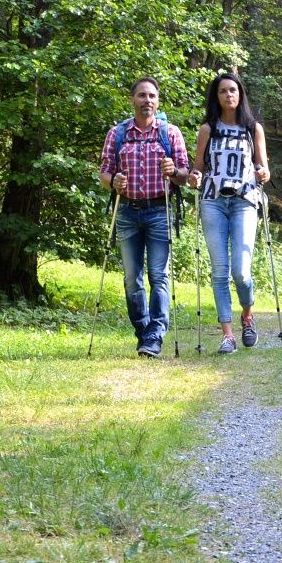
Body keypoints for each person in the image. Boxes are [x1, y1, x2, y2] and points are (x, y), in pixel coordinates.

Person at [99, 77, 191, 358]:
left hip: (159, 211)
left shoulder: (170, 133)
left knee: (159, 275)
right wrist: (113, 180)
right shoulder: (118, 133)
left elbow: (185, 174)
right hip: (127, 211)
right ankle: (143, 332)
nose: (147, 100)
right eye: (141, 95)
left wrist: (173, 171)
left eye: (152, 96)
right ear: (132, 100)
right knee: (131, 278)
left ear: (158, 101)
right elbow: (104, 172)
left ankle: (155, 335)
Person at [187, 73, 270, 355]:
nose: (228, 95)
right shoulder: (207, 129)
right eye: (222, 91)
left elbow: (264, 168)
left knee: (241, 272)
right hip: (213, 201)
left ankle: (247, 316)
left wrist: (263, 173)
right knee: (220, 271)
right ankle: (228, 335)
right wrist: (194, 177)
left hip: (245, 201)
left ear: (240, 94)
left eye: (233, 90)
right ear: (216, 96)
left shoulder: (252, 128)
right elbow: (197, 168)